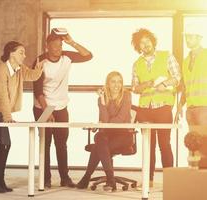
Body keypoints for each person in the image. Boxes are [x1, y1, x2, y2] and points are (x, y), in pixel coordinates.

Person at [0, 41, 43, 193]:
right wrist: (7, 116)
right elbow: (2, 96)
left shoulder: (19, 69)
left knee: (6, 144)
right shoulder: (1, 71)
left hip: (2, 111)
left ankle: (0, 181)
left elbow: (31, 76)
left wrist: (38, 70)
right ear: (11, 53)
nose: (24, 55)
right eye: (21, 52)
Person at [33, 31, 92, 188]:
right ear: (47, 46)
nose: (58, 48)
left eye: (60, 45)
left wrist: (71, 42)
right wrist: (48, 111)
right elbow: (37, 90)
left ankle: (64, 178)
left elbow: (88, 56)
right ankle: (45, 179)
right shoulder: (40, 61)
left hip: (61, 106)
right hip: (43, 106)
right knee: (45, 143)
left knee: (61, 143)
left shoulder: (67, 57)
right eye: (55, 46)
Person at [131, 28, 181, 187]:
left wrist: (165, 84)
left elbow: (177, 77)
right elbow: (135, 88)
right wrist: (146, 84)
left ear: (153, 41)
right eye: (141, 43)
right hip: (145, 109)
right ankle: (149, 180)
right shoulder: (137, 64)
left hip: (163, 107)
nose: (145, 45)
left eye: (147, 41)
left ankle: (171, 181)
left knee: (164, 144)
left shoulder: (167, 56)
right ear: (138, 47)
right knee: (148, 145)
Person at [76, 71, 132, 191]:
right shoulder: (103, 98)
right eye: (113, 82)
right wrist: (102, 99)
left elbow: (120, 119)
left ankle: (87, 177)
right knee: (100, 138)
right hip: (107, 135)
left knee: (98, 145)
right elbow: (104, 119)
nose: (117, 85)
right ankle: (110, 179)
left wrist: (105, 124)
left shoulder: (126, 96)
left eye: (119, 82)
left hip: (124, 135)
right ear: (107, 84)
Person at [175, 23, 207, 126]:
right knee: (194, 141)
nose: (187, 39)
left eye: (190, 36)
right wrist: (180, 105)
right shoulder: (186, 61)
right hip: (190, 109)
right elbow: (185, 87)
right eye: (186, 37)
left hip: (204, 107)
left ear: (199, 38)